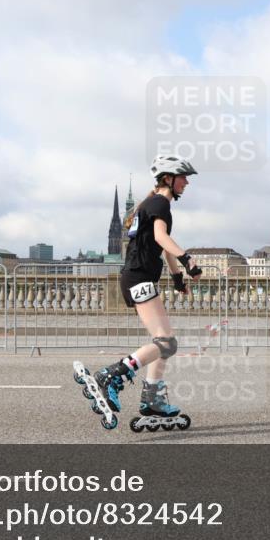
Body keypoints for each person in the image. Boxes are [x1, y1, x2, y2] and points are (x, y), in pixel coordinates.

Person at [86, 155, 202, 429]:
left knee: (165, 343)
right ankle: (112, 375)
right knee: (166, 343)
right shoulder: (160, 203)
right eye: (183, 177)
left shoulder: (152, 204)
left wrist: (177, 278)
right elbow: (162, 238)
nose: (186, 183)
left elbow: (161, 245)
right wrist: (188, 260)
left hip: (138, 277)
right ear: (168, 178)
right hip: (139, 277)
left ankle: (152, 399)